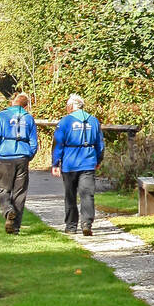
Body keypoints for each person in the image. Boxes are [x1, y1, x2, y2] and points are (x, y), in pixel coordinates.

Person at [52, 93, 105, 236]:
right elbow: (100, 143)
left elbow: (58, 144)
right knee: (87, 195)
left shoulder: (65, 122)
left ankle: (71, 226)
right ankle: (87, 223)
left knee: (70, 195)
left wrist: (55, 163)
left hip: (70, 163)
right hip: (88, 162)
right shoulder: (93, 121)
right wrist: (98, 160)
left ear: (70, 107)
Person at [0, 92, 38, 235]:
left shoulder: (2, 116)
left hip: (5, 155)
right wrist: (29, 155)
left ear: (13, 102)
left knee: (2, 188)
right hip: (22, 156)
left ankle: (7, 210)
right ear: (25, 105)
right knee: (20, 192)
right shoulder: (29, 118)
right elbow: (34, 142)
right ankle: (15, 227)